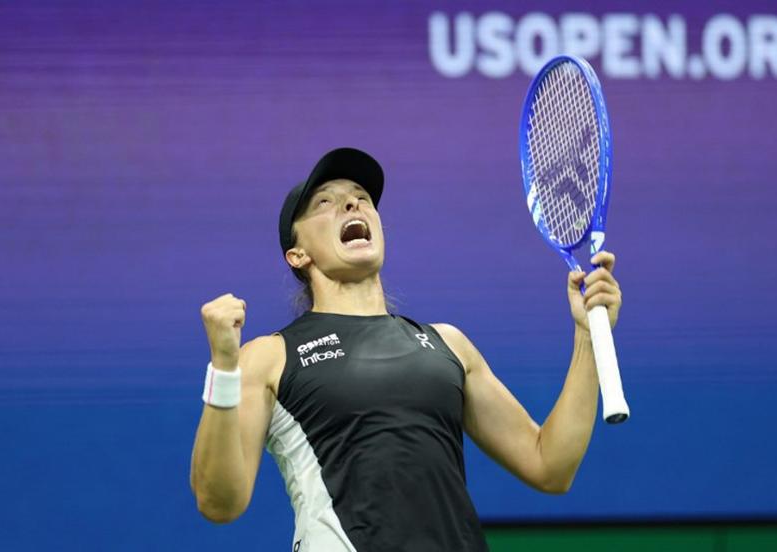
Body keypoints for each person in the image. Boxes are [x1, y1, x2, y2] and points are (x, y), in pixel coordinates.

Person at [190, 148, 622, 552]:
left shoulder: (447, 344)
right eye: (325, 202)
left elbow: (551, 466)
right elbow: (219, 502)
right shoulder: (269, 357)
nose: (353, 205)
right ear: (297, 254)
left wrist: (586, 337)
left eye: (361, 198)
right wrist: (224, 367)